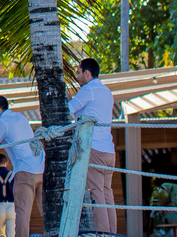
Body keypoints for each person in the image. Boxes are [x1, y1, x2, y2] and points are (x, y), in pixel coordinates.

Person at [0, 97, 43, 237]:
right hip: (40, 168)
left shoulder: (3, 123)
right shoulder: (19, 117)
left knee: (22, 212)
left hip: (25, 170)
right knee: (45, 210)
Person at [69, 58, 116, 235]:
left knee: (96, 194)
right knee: (107, 193)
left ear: (87, 73)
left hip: (94, 148)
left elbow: (68, 110)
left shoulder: (88, 90)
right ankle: (112, 233)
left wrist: (67, 97)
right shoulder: (106, 91)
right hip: (108, 149)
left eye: (78, 73)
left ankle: (103, 234)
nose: (77, 77)